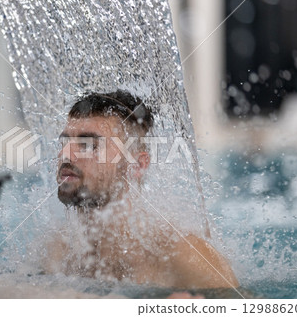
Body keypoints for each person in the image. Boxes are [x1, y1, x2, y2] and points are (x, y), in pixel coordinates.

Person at [46, 90, 238, 290]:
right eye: (65, 142)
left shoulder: (184, 257)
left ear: (136, 165)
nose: (65, 154)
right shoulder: (58, 253)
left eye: (89, 144)